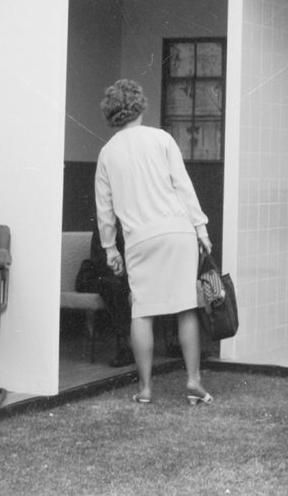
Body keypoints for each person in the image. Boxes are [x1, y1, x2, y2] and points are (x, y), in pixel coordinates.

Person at [94, 79, 213, 405]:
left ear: (111, 114)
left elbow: (104, 210)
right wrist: (201, 230)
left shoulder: (107, 153)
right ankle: (193, 381)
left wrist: (110, 249)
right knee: (186, 308)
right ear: (139, 106)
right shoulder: (161, 139)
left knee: (142, 312)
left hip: (138, 240)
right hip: (177, 231)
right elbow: (183, 187)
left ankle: (146, 389)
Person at [83, 221, 133, 368]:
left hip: (129, 274)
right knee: (115, 287)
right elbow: (98, 260)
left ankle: (173, 341)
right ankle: (127, 346)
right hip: (102, 274)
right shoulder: (104, 223)